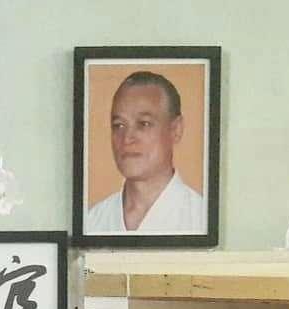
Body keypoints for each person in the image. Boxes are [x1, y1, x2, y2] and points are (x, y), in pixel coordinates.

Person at [86, 71, 205, 236]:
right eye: (119, 125)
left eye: (144, 124)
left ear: (175, 130)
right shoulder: (92, 221)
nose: (127, 138)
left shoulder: (200, 218)